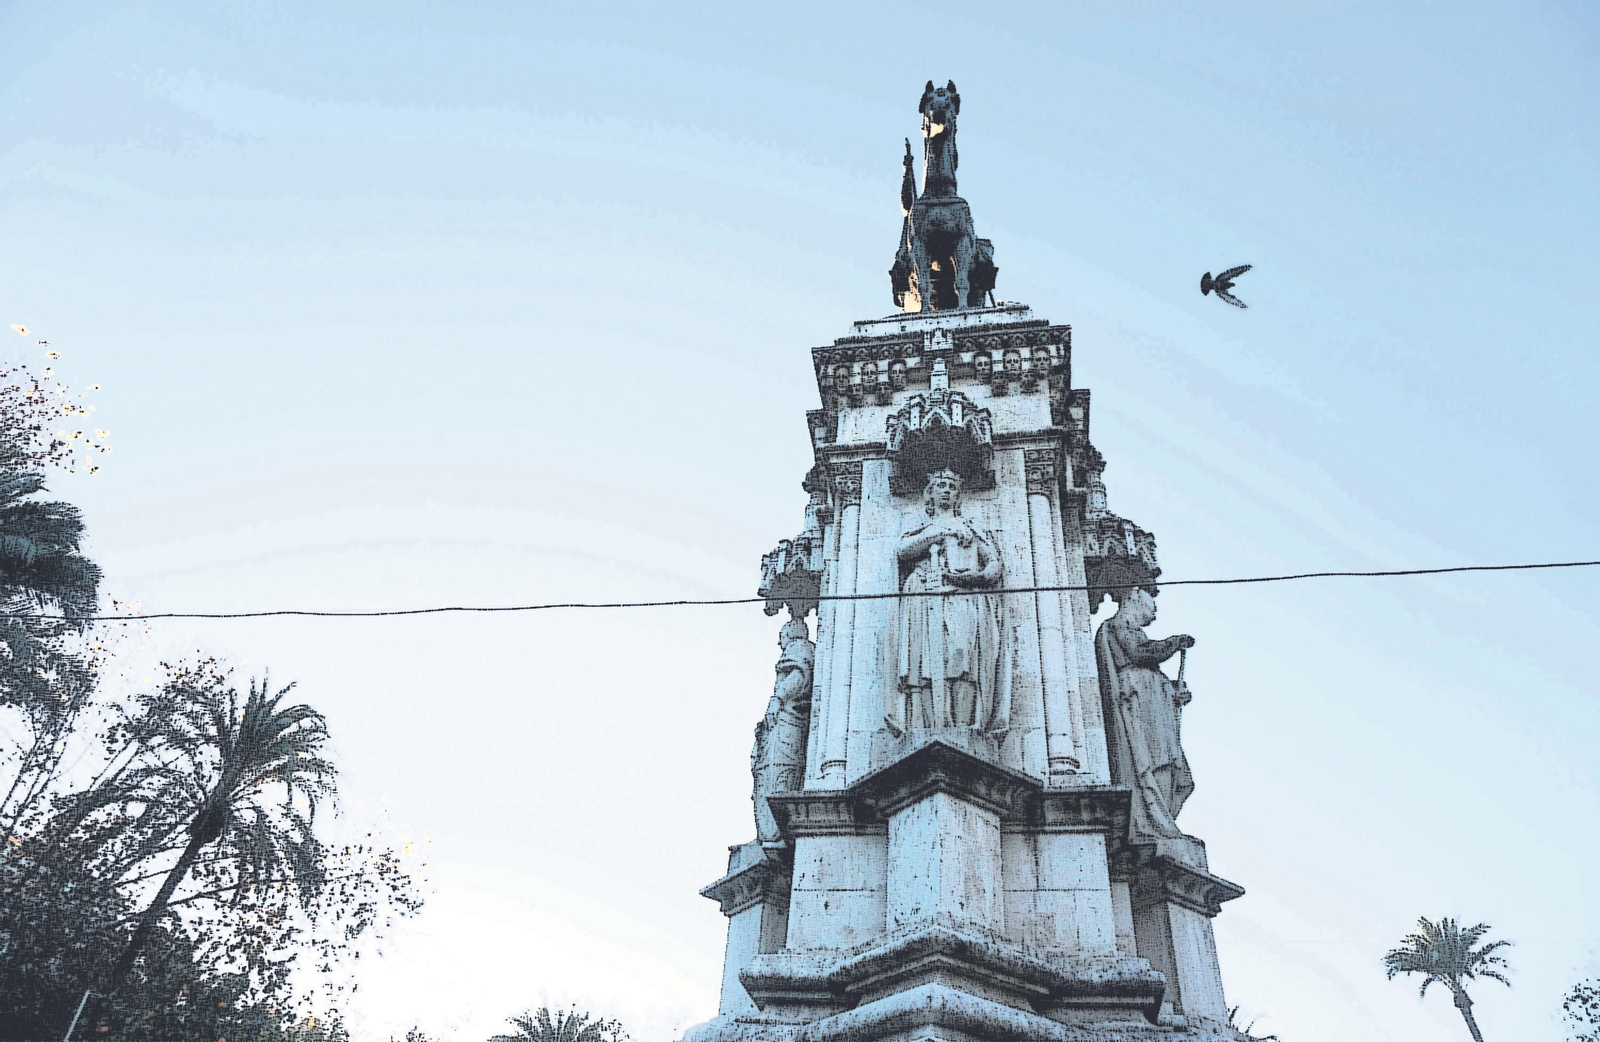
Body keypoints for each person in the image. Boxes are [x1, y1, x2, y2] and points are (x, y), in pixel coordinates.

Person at [887, 469, 1010, 736]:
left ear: (958, 495)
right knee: (927, 665)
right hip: (924, 598)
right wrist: (937, 534)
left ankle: (963, 728)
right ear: (929, 494)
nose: (946, 490)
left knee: (963, 658)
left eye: (951, 486)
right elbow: (901, 551)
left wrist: (968, 577)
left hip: (963, 598)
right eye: (940, 485)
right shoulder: (922, 529)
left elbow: (994, 567)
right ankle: (930, 727)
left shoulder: (972, 528)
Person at [1094, 585, 1196, 843]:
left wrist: (1173, 693)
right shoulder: (1119, 625)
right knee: (1154, 765)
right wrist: (1174, 643)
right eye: (1152, 598)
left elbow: (1148, 667)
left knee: (1177, 775)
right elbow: (1142, 653)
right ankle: (1154, 823)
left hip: (1153, 712)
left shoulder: (1132, 631)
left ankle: (1161, 823)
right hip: (1140, 713)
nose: (1156, 607)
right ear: (1134, 596)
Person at [752, 615, 814, 844]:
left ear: (791, 635)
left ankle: (773, 830)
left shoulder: (800, 649)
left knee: (781, 768)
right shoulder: (802, 650)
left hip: (789, 720)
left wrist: (777, 699)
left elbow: (798, 675)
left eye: (782, 636)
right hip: (788, 720)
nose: (780, 643)